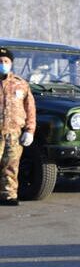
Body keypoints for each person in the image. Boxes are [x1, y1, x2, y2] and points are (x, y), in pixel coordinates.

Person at [0, 48, 36, 206]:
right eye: (0, 61)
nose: (3, 64)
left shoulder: (21, 84)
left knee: (11, 166)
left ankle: (8, 195)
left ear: (11, 63)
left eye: (5, 61)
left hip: (13, 133)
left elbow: (30, 109)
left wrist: (30, 130)